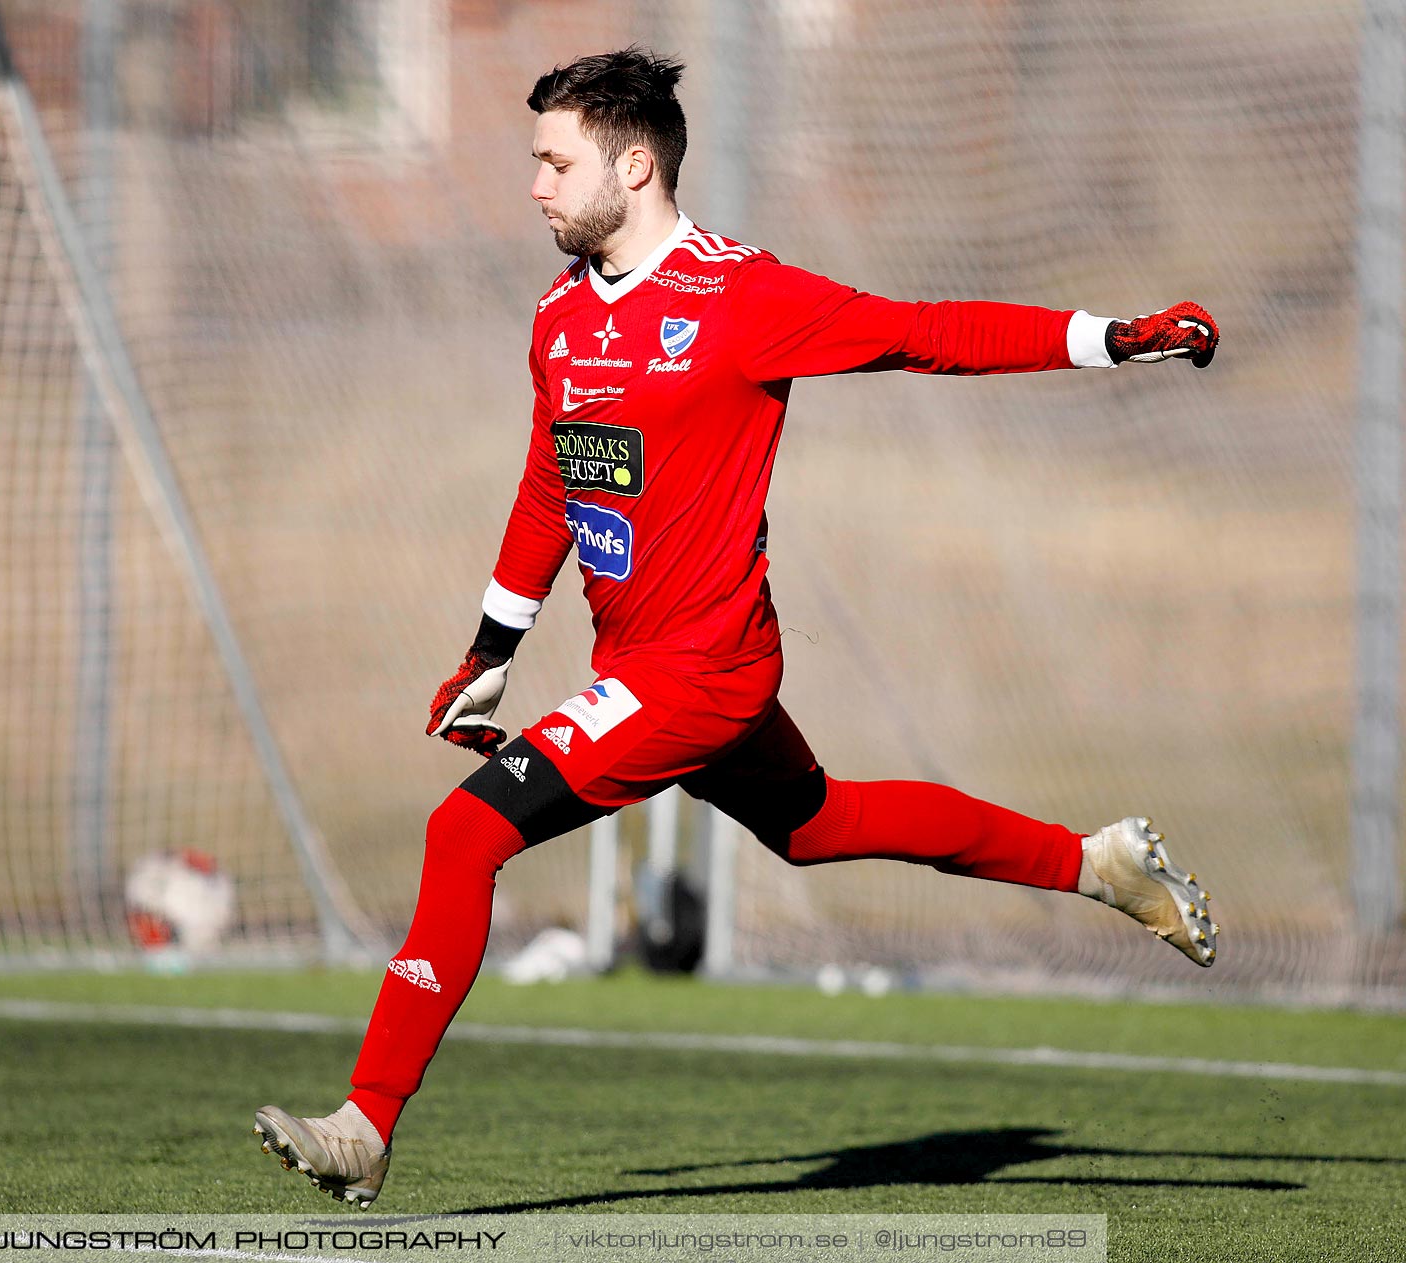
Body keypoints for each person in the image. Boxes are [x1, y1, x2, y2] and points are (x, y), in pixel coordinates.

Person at [253, 47, 1221, 1210]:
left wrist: (1109, 335)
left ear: (636, 163)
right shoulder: (561, 320)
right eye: (535, 164)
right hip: (647, 667)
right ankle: (1096, 862)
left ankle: (364, 1123)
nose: (535, 188)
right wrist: (492, 653)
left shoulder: (742, 297)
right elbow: (552, 489)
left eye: (555, 164)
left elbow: (927, 332)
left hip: (701, 673)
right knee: (821, 825)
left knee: (463, 838)